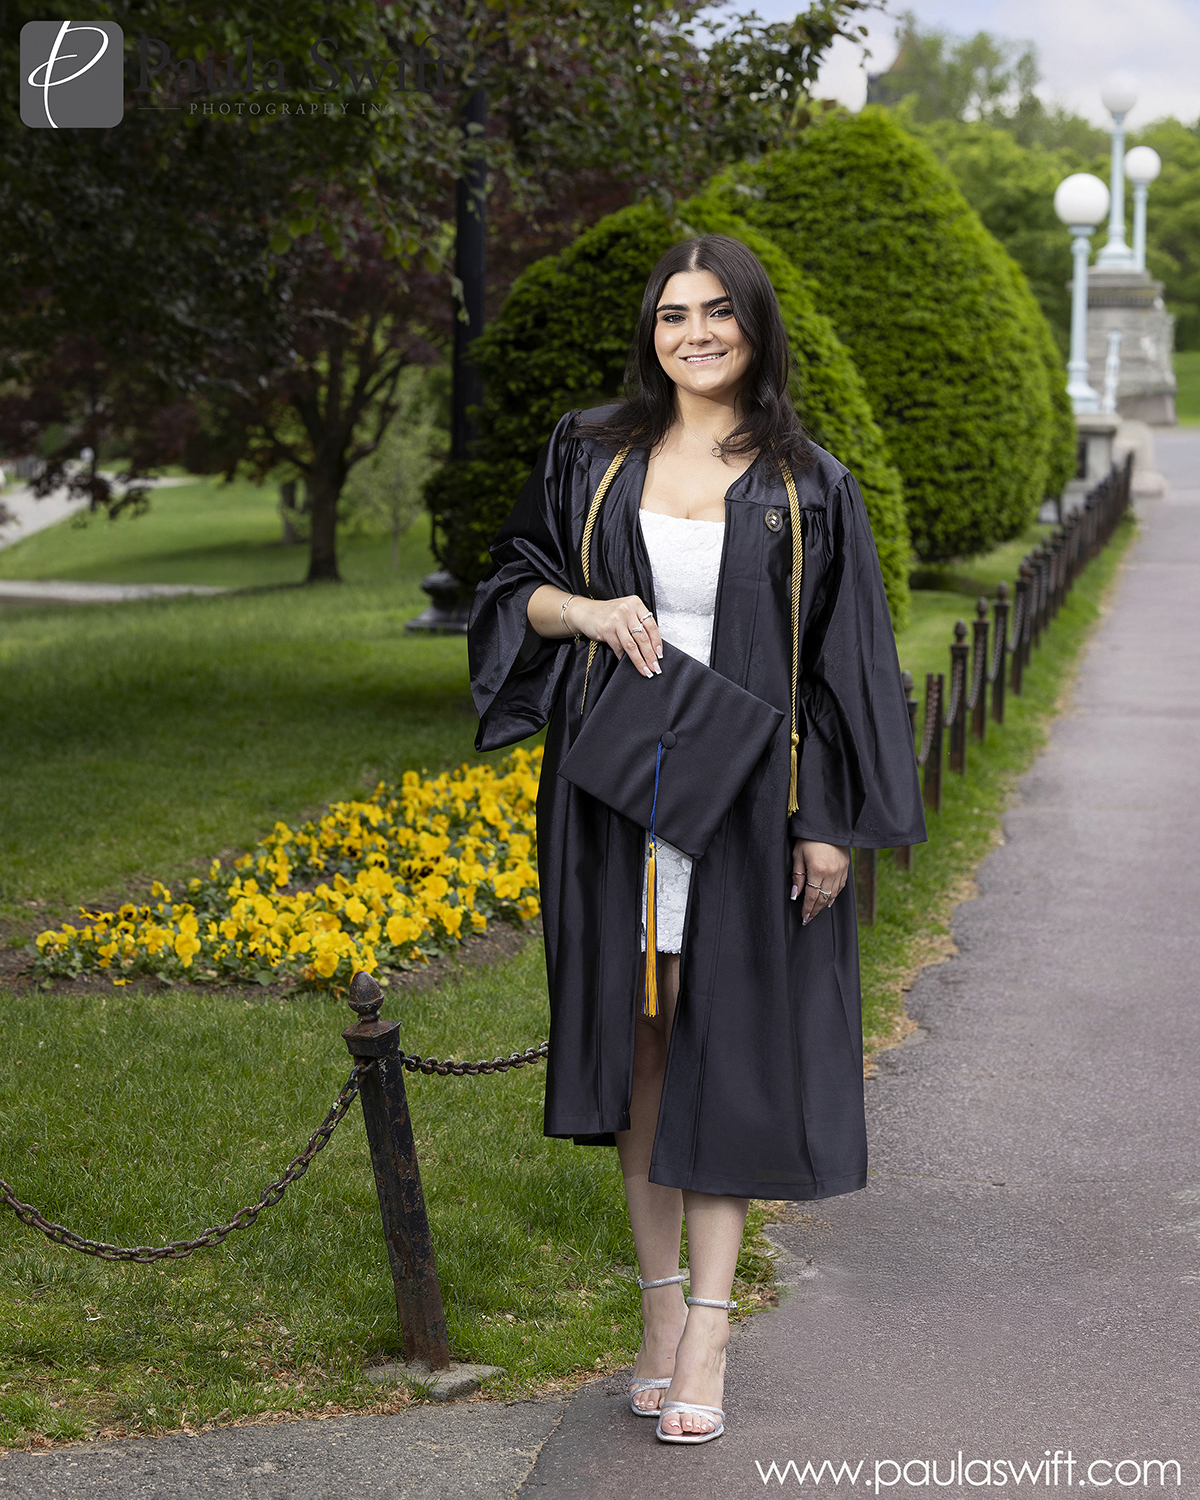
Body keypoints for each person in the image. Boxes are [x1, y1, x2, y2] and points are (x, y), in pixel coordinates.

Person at [468, 235, 925, 1445]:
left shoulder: (805, 480)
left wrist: (825, 823)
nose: (697, 333)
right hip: (616, 796)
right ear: (651, 333)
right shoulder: (592, 453)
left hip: (743, 804)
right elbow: (513, 586)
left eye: (720, 313)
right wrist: (586, 607)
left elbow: (843, 669)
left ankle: (713, 1330)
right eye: (675, 315)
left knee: (726, 1050)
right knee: (645, 1049)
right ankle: (659, 1314)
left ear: (756, 327)